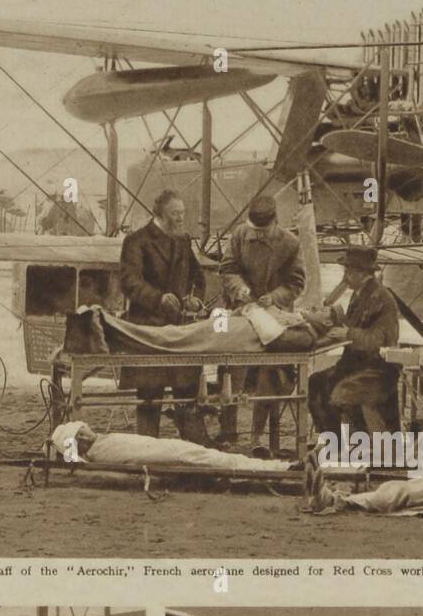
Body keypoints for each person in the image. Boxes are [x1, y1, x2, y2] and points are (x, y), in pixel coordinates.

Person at [118, 191, 207, 439]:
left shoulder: (182, 240)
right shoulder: (136, 241)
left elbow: (198, 279)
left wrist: (195, 299)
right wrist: (157, 298)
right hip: (147, 330)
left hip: (180, 330)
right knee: (149, 396)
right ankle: (147, 451)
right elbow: (129, 281)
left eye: (182, 213)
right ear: (159, 214)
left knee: (187, 393)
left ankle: (193, 452)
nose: (180, 219)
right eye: (175, 214)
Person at [219, 195, 306, 448]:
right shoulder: (238, 235)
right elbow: (227, 269)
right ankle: (229, 433)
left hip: (273, 317)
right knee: (231, 372)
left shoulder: (290, 243)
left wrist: (275, 297)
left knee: (271, 375)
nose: (256, 235)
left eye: (262, 231)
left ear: (274, 222)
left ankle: (258, 437)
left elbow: (296, 283)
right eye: (253, 231)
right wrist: (239, 289)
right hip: (241, 311)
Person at [305, 246, 402, 436]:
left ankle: (354, 445)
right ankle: (333, 441)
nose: (345, 276)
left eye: (348, 271)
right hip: (354, 365)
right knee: (316, 383)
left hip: (378, 368)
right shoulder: (359, 295)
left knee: (339, 395)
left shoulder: (381, 297)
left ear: (361, 272)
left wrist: (348, 334)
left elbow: (380, 340)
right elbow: (350, 327)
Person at [50, 421, 297, 474]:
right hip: (165, 454)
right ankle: (281, 468)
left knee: (215, 456)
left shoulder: (102, 440)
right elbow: (137, 456)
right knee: (215, 459)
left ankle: (278, 466)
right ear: (79, 445)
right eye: (81, 434)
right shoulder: (99, 453)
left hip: (164, 447)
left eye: (83, 429)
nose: (86, 432)